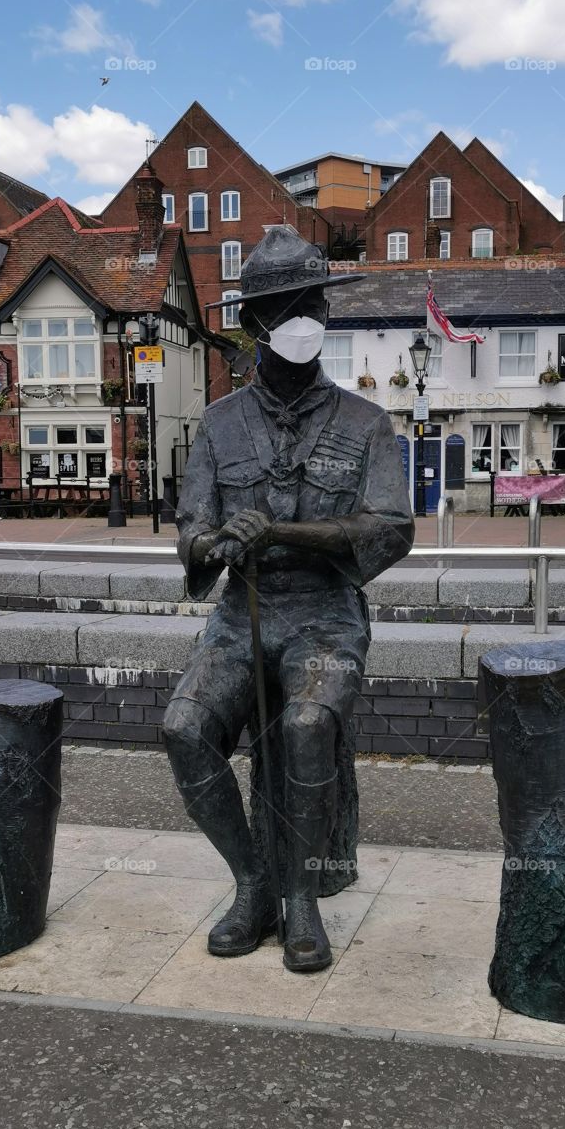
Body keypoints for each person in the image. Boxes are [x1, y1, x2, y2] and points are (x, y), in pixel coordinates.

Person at [163, 227, 414, 973]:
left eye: (313, 304)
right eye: (287, 306)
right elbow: (191, 533)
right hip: (242, 613)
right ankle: (253, 883)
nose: (305, 318)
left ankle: (302, 898)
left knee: (306, 724)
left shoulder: (367, 424)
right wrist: (218, 544)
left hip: (326, 616)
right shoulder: (216, 424)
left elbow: (390, 528)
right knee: (183, 727)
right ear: (253, 325)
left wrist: (289, 533)